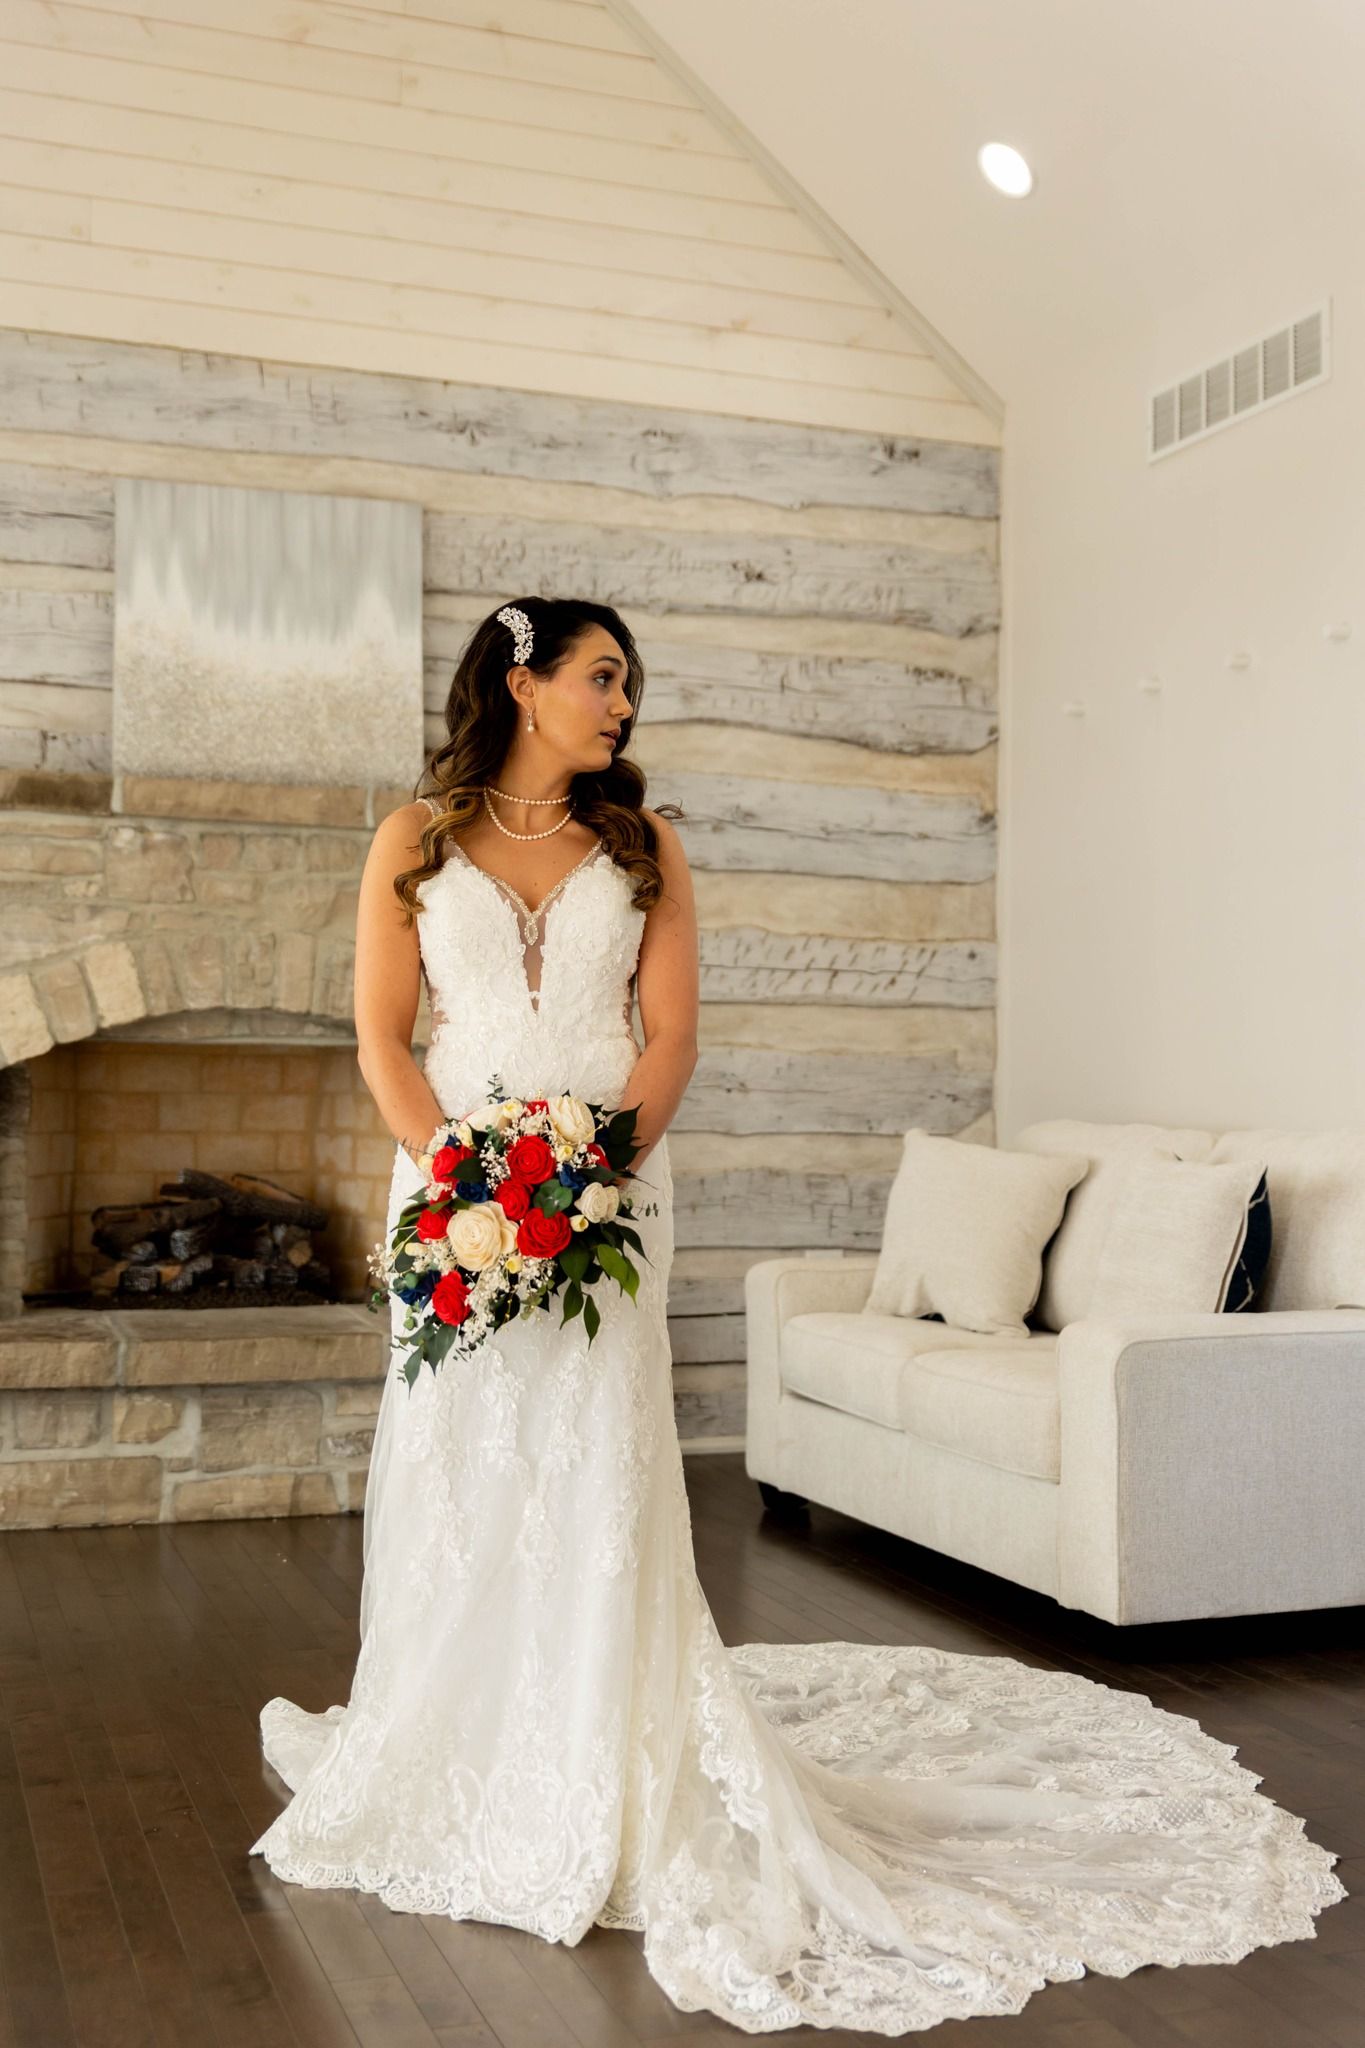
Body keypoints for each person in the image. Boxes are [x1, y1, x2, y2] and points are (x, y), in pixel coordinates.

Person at [250, 596, 1346, 2035]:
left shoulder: (645, 846)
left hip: (599, 1201)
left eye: (628, 683)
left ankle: (600, 1756)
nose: (621, 704)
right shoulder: (413, 838)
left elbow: (673, 1034)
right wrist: (460, 1179)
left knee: (591, 1468)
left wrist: (585, 1185)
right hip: (449, 1206)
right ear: (519, 684)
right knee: (464, 1459)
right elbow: (384, 1037)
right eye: (599, 677)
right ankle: (452, 1731)